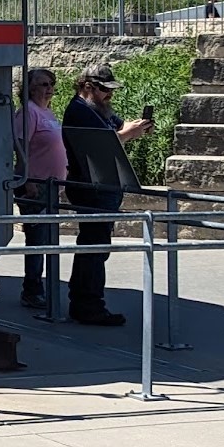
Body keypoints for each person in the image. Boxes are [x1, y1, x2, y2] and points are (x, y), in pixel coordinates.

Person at [61, 64, 153, 326]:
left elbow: (117, 126)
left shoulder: (96, 108)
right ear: (87, 87)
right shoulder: (80, 111)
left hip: (101, 186)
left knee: (95, 246)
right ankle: (88, 305)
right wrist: (127, 134)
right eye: (104, 90)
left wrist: (136, 127)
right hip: (91, 187)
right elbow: (104, 142)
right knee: (94, 247)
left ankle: (85, 302)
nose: (108, 95)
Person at [11, 68, 66, 310]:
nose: (49, 88)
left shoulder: (47, 112)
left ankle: (41, 287)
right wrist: (27, 179)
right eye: (43, 84)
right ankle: (32, 290)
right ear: (30, 88)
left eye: (51, 83)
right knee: (38, 239)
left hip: (52, 186)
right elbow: (20, 147)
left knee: (46, 239)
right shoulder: (28, 113)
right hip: (35, 185)